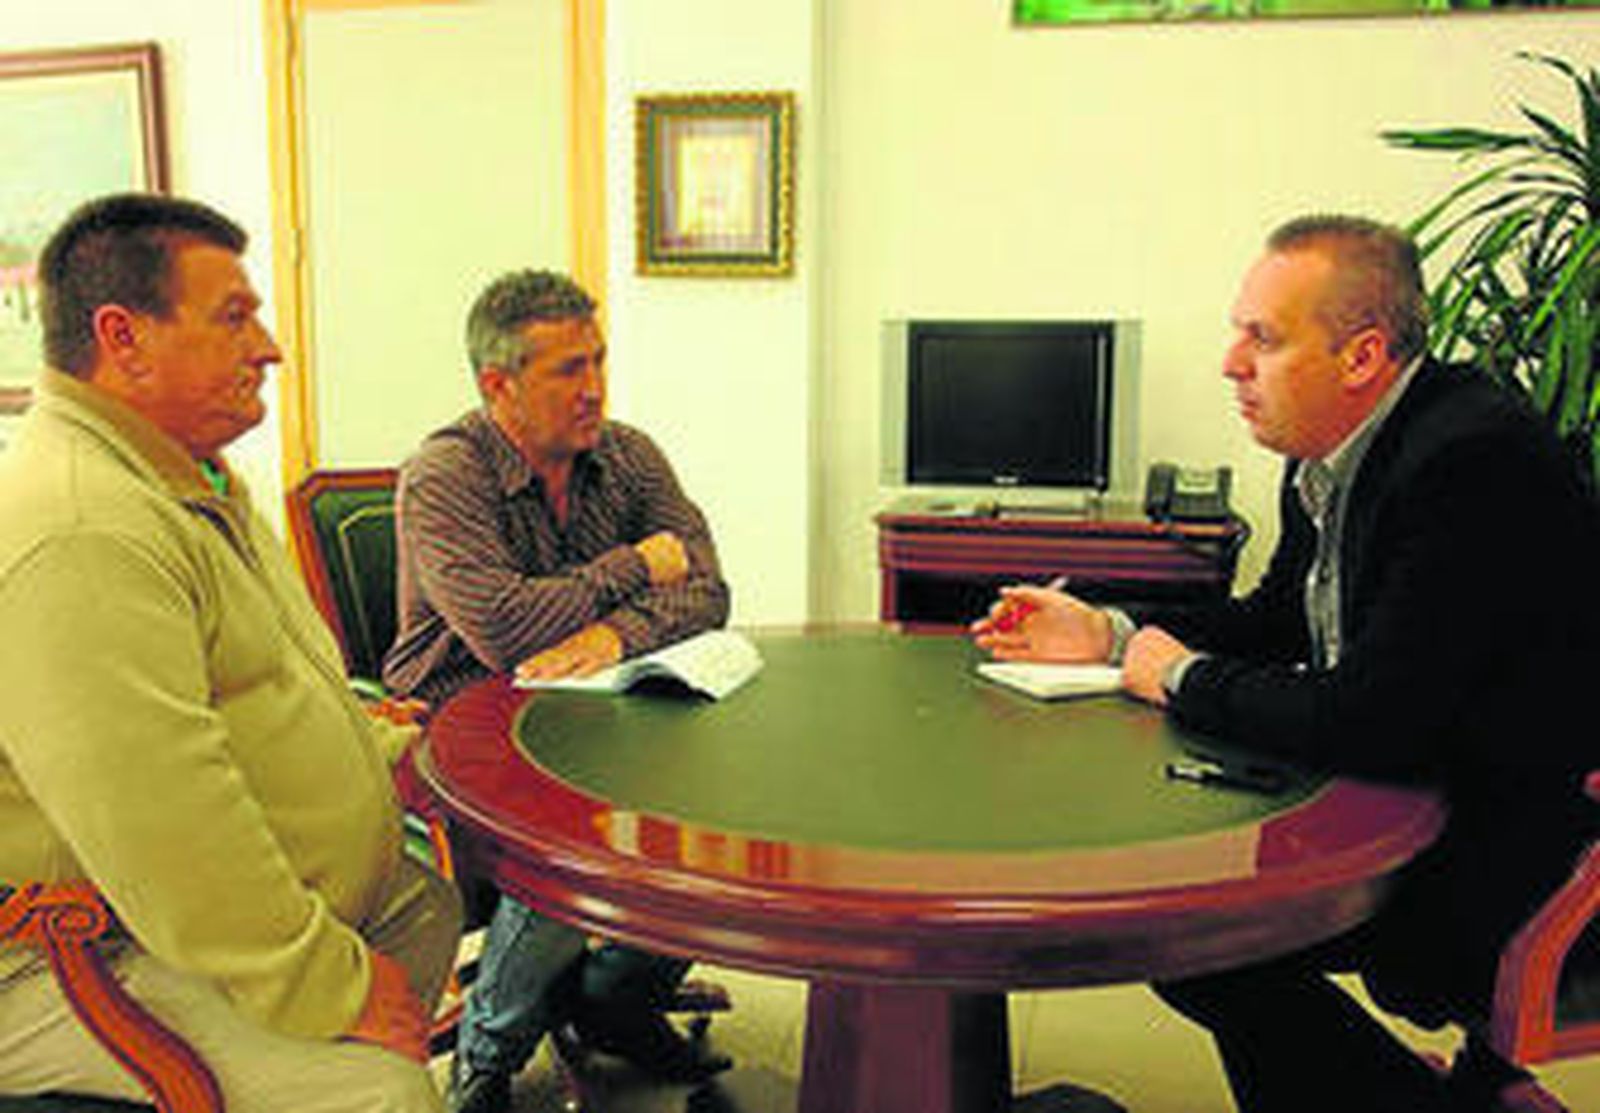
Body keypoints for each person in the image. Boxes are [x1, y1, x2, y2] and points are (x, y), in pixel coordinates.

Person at [973, 215, 1600, 1113]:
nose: (1231, 361)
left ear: (1361, 356)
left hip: (1508, 846)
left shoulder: (1471, 460)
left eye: (1261, 338)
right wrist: (1109, 633)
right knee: (1199, 937)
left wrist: (1175, 673)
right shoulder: (1330, 453)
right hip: (1409, 798)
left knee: (1204, 936)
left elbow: (1369, 719)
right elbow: (1274, 622)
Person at [0, 193, 462, 1112]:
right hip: (76, 955)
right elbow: (162, 825)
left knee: (427, 901)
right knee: (381, 1092)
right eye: (235, 317)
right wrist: (330, 986)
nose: (271, 347)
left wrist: (388, 757)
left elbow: (266, 692)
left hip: (178, 922)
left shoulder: (188, 479)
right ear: (122, 337)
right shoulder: (83, 529)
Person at [383, 268, 732, 1113]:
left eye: (599, 361)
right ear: (498, 385)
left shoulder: (628, 454)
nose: (595, 388)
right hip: (457, 721)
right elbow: (506, 631)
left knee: (717, 799)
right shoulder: (445, 475)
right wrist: (634, 568)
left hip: (595, 707)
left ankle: (617, 1001)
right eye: (568, 370)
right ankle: (488, 1052)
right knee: (568, 828)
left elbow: (709, 591)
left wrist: (613, 635)